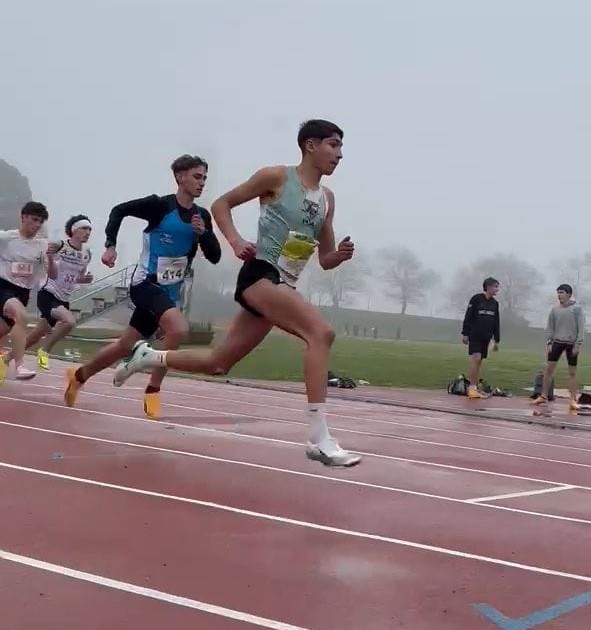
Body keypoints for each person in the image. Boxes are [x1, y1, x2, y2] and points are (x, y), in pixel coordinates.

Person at [113, 119, 362, 467]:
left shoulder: (326, 200)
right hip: (260, 275)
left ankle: (148, 357)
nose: (340, 154)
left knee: (218, 362)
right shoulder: (276, 177)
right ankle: (320, 437)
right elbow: (221, 204)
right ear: (310, 145)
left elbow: (325, 258)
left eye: (341, 147)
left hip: (282, 285)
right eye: (333, 145)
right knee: (321, 333)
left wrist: (340, 256)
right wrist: (235, 240)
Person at [64, 154, 221, 418]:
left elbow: (215, 256)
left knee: (124, 345)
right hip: (145, 282)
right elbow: (119, 210)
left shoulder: (201, 216)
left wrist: (203, 233)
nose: (202, 182)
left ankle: (79, 375)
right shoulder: (159, 206)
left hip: (170, 291)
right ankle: (153, 389)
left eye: (205, 177)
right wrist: (110, 245)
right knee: (178, 329)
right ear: (180, 177)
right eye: (197, 176)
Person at [4, 215, 94, 370]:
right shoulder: (59, 245)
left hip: (64, 298)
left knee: (33, 337)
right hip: (48, 294)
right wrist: (50, 258)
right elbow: (50, 270)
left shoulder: (87, 253)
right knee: (69, 322)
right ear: (73, 230)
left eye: (90, 229)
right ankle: (44, 351)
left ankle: (5, 360)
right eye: (84, 228)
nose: (88, 232)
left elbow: (78, 277)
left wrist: (85, 279)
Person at [0, 201, 57, 382]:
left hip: (23, 293)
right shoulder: (6, 238)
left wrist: (50, 257)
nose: (37, 225)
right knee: (22, 316)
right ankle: (20, 366)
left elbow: (53, 275)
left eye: (40, 221)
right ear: (23, 217)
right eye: (34, 219)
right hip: (3, 286)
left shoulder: (42, 245)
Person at [531, 284, 585, 412]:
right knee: (548, 370)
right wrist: (549, 342)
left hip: (571, 343)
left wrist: (578, 344)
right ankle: (543, 396)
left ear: (569, 294)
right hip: (557, 342)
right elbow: (550, 327)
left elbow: (581, 327)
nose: (560, 295)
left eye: (562, 292)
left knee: (572, 372)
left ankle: (573, 400)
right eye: (558, 292)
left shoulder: (577, 309)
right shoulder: (554, 310)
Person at [461, 277, 500, 399]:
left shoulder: (495, 303)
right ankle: (471, 388)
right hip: (474, 335)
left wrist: (496, 339)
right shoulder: (476, 299)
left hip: (486, 337)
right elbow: (468, 316)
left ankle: (474, 386)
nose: (497, 289)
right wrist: (465, 333)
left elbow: (496, 322)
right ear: (488, 287)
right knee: (476, 358)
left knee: (479, 362)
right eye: (495, 287)